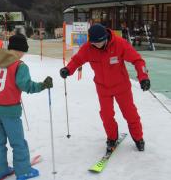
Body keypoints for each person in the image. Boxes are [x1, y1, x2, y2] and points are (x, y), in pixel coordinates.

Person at [60, 24, 150, 152]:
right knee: (106, 115)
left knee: (130, 114)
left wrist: (143, 77)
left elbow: (137, 60)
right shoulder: (88, 48)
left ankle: (138, 138)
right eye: (94, 43)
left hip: (121, 86)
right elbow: (77, 60)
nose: (97, 45)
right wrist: (67, 69)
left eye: (100, 42)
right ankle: (112, 138)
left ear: (106, 37)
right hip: (103, 88)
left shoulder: (119, 44)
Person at [0, 33, 53, 180]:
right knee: (18, 142)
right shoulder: (19, 65)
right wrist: (42, 85)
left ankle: (0, 170)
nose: (24, 55)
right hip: (9, 110)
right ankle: (23, 171)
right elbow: (26, 85)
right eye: (24, 52)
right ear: (20, 50)